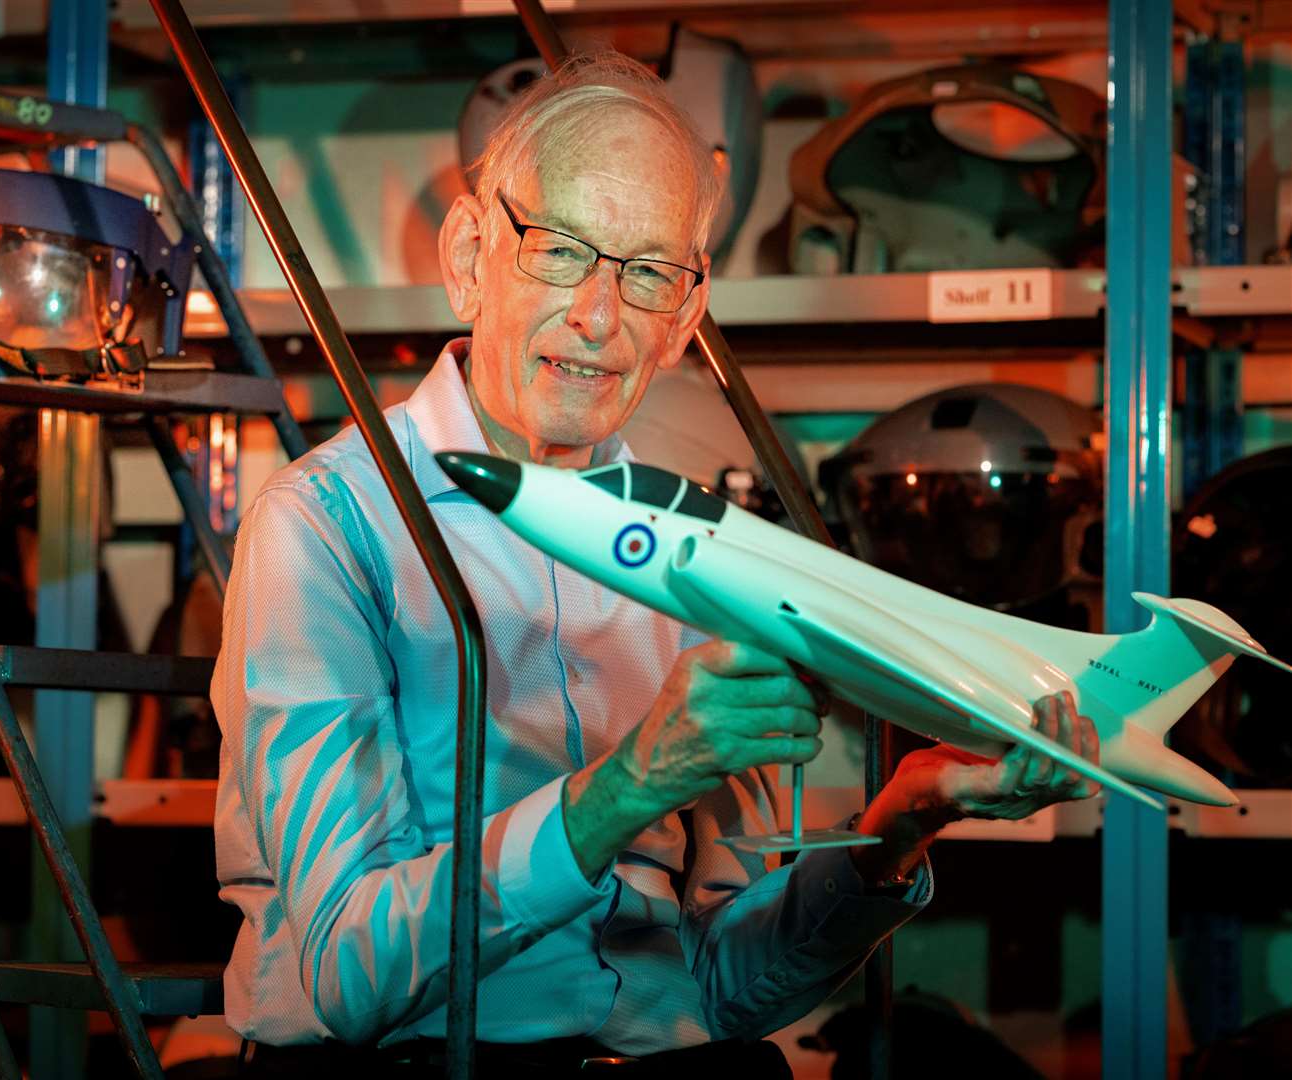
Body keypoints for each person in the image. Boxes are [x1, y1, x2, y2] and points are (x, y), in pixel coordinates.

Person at [211, 51, 1101, 1075]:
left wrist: (895, 829)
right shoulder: (327, 528)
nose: (599, 317)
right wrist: (629, 788)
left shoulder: (700, 559)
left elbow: (724, 992)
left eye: (646, 273)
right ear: (467, 257)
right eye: (558, 250)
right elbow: (351, 977)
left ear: (683, 318)